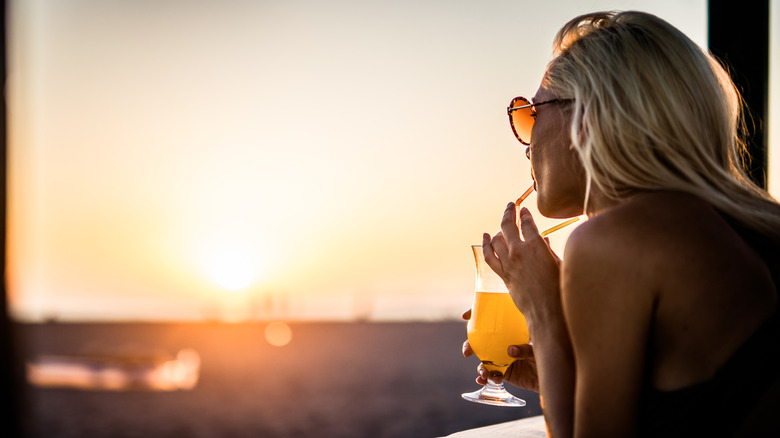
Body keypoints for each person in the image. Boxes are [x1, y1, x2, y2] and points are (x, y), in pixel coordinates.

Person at [462, 10, 780, 437]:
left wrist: (543, 313)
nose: (527, 140)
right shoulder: (737, 227)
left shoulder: (613, 240)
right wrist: (559, 372)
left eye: (532, 112)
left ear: (587, 118)